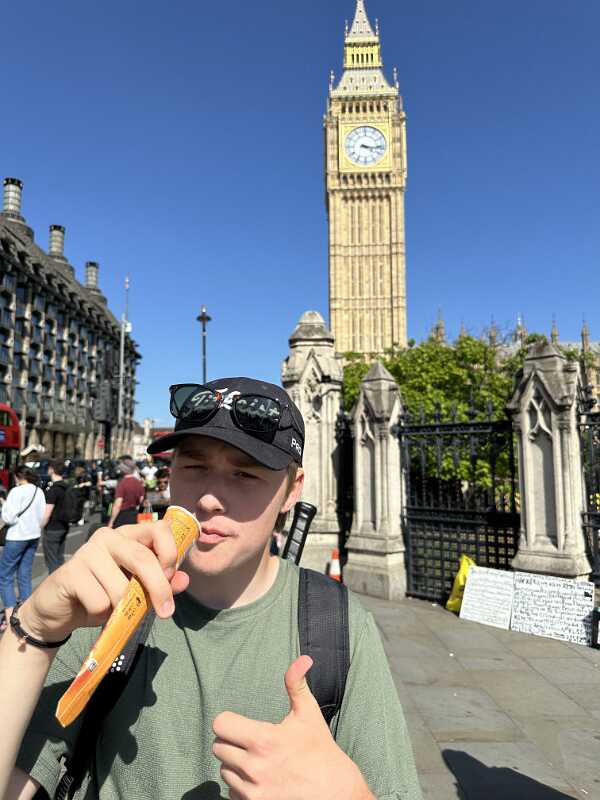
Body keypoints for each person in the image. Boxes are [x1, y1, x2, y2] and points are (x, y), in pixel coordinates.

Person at [0, 377, 422, 800]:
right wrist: (34, 630)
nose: (208, 499)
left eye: (244, 473)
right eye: (194, 467)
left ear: (292, 491)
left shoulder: (338, 625)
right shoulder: (112, 603)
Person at [0, 466, 45, 633]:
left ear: (18, 476)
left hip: (17, 537)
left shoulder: (16, 492)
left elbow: (8, 517)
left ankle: (10, 617)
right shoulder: (38, 492)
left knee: (4, 576)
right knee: (24, 574)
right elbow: (41, 515)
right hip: (33, 535)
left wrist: (4, 504)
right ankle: (27, 615)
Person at [41, 460, 70, 574]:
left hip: (52, 528)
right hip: (64, 526)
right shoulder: (66, 487)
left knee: (52, 561)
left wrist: (40, 526)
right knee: (59, 558)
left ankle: (55, 583)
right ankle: (63, 581)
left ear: (52, 470)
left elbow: (47, 513)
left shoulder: (53, 490)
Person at [107, 457, 145, 528]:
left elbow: (118, 504)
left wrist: (111, 522)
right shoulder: (138, 483)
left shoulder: (122, 483)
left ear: (123, 470)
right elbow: (141, 499)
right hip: (134, 515)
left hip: (122, 516)